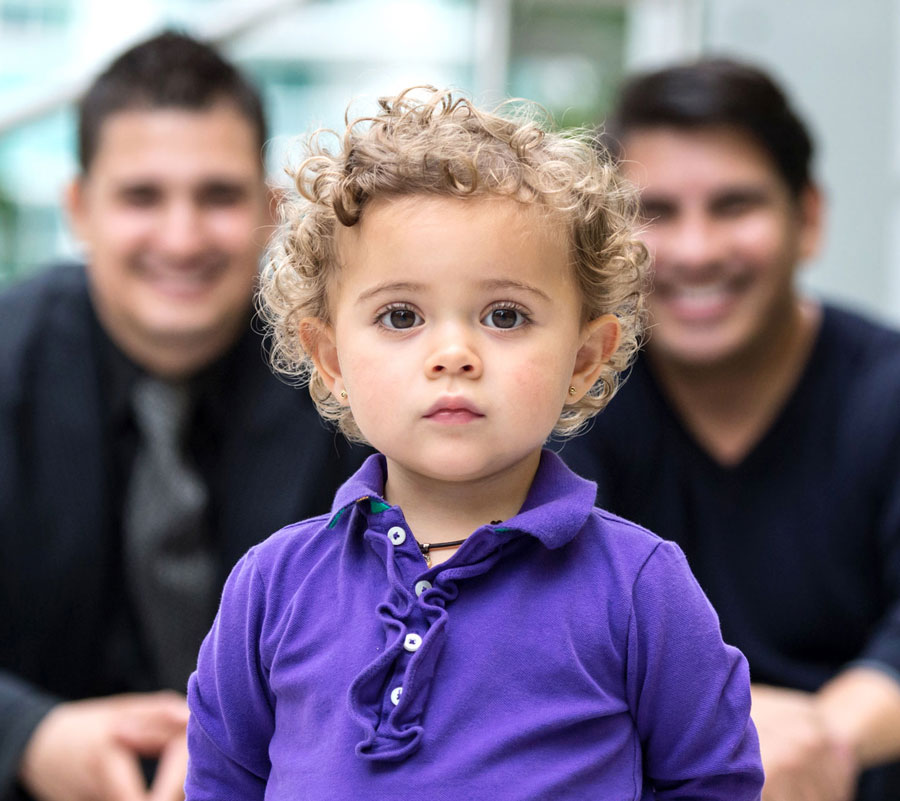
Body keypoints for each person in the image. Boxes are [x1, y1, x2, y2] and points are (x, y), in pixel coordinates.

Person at [184, 86, 764, 800]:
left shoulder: (641, 587)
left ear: (584, 358)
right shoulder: (271, 587)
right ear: (330, 358)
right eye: (401, 315)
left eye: (505, 314)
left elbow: (715, 782)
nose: (453, 352)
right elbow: (221, 784)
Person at [0, 31, 365, 801]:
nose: (182, 237)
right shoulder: (7, 358)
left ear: (271, 212)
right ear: (79, 208)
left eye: (218, 196)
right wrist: (25, 733)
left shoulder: (358, 377)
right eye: (142, 196)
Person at [560, 58, 900, 801]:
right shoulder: (571, 400)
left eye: (734, 206)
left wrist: (823, 741)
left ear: (807, 218)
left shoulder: (886, 390)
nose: (696, 250)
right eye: (657, 212)